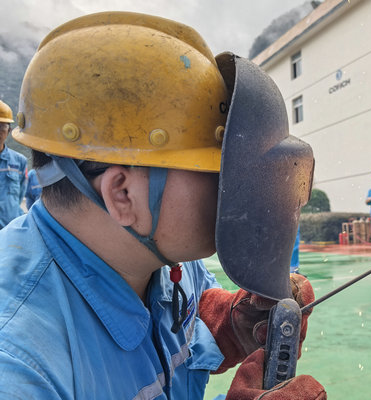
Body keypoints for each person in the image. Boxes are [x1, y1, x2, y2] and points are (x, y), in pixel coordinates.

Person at [0, 12, 325, 400]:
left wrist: (229, 326)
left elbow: (184, 327)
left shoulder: (161, 254)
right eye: (215, 170)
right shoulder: (19, 366)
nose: (233, 187)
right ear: (124, 194)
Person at [0, 100, 27, 228]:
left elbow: (20, 194)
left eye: (1, 126)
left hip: (9, 230)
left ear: (9, 130)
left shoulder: (19, 161)